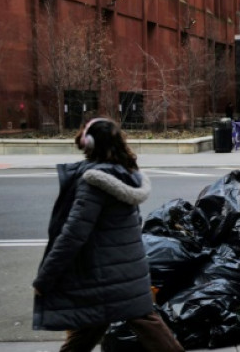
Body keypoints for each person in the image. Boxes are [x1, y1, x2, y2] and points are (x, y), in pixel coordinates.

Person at [32, 117, 183, 352]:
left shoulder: (94, 182)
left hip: (102, 277)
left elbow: (73, 234)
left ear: (88, 143)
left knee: (89, 332)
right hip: (129, 271)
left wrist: (45, 277)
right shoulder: (126, 174)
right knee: (134, 324)